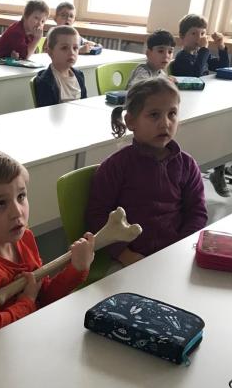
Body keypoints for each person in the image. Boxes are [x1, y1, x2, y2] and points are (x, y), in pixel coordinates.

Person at [0, 150, 94, 342]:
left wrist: (76, 269)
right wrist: (27, 301)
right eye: (1, 203)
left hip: (32, 334)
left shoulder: (24, 238)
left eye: (21, 196)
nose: (17, 212)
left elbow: (44, 297)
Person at [86, 78, 207, 268]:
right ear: (131, 121)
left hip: (173, 256)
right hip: (125, 260)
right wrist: (124, 254)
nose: (165, 123)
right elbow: (97, 216)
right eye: (154, 115)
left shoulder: (187, 165)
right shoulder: (116, 166)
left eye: (172, 114)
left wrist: (180, 247)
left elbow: (197, 213)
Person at [173, 13, 232, 195]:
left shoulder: (200, 54)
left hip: (200, 101)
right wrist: (204, 50)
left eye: (202, 33)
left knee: (227, 122)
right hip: (186, 106)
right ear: (182, 38)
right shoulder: (182, 58)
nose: (199, 37)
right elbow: (196, 75)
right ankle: (218, 170)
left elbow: (223, 66)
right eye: (194, 33)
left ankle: (227, 166)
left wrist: (221, 46)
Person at [33, 25, 87, 107]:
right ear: (50, 52)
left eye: (75, 48)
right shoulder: (45, 81)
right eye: (64, 48)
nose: (71, 52)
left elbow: (85, 104)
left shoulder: (79, 75)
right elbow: (46, 111)